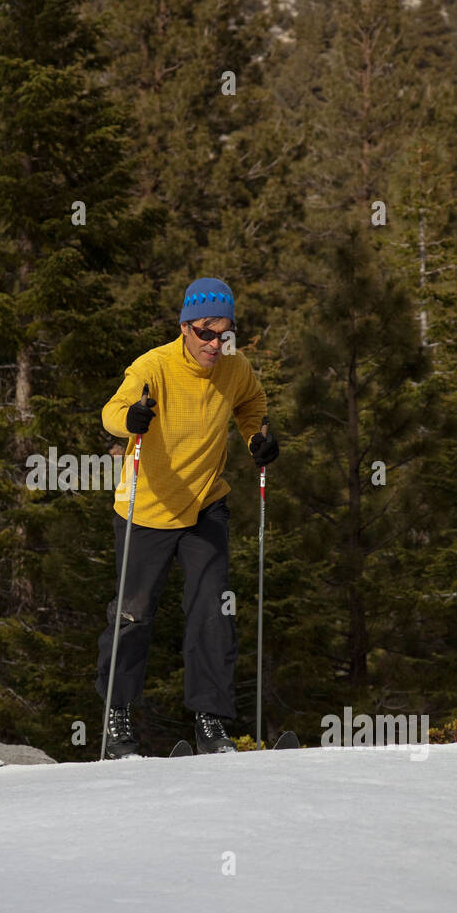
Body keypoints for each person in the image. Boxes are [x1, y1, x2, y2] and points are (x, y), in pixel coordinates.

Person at [97, 279, 279, 757]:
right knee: (133, 617)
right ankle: (118, 722)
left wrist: (257, 439)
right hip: (146, 509)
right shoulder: (153, 366)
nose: (215, 344)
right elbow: (112, 411)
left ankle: (210, 724)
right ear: (184, 327)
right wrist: (131, 419)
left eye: (224, 334)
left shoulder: (235, 369)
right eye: (205, 333)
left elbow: (252, 405)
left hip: (204, 506)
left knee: (213, 613)